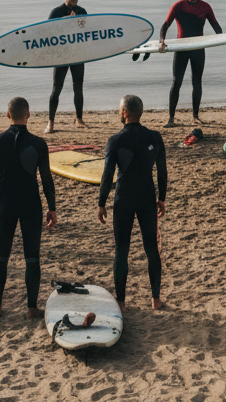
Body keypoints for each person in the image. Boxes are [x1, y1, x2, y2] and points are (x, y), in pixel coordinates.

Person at [0, 97, 57, 318]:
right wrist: (52, 207)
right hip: (30, 205)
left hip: (5, 204)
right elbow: (46, 179)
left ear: (7, 115)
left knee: (0, 256)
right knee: (32, 257)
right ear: (29, 115)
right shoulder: (38, 143)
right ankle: (31, 309)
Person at [97, 95, 167, 311]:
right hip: (147, 197)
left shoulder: (115, 140)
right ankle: (155, 299)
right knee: (151, 249)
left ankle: (121, 301)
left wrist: (101, 202)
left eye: (120, 110)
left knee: (122, 250)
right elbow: (162, 172)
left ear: (125, 113)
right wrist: (161, 198)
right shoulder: (155, 137)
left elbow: (107, 175)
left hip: (124, 199)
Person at [158, 0, 222, 128]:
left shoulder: (205, 7)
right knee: (176, 82)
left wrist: (221, 38)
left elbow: (217, 27)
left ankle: (195, 117)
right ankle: (171, 118)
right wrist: (162, 41)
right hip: (182, 49)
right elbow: (165, 25)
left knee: (197, 82)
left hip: (198, 49)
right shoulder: (178, 6)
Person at [44, 0, 88, 134]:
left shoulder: (82, 11)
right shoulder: (56, 12)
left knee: (78, 88)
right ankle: (50, 123)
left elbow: (87, 31)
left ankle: (79, 120)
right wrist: (66, 21)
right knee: (56, 89)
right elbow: (47, 31)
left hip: (77, 55)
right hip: (61, 56)